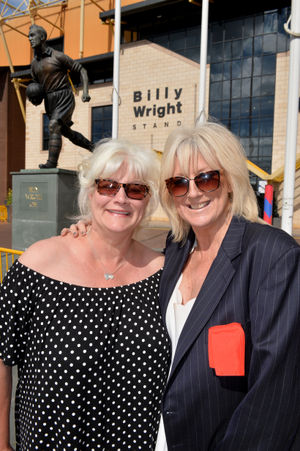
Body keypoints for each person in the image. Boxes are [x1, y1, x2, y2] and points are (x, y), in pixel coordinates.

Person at [68, 121, 300, 450]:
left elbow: (274, 397)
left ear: (231, 181)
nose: (192, 192)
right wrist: (90, 231)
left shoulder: (272, 255)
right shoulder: (176, 249)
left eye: (207, 178)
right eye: (179, 183)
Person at [0, 140, 171, 450]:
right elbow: (2, 355)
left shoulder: (164, 273)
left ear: (147, 201)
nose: (121, 198)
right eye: (108, 186)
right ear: (90, 193)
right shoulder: (38, 265)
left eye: (135, 190)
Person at [27, 24, 94, 169]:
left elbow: (81, 69)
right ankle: (92, 147)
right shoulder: (33, 64)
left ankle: (51, 163)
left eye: (32, 35)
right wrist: (34, 96)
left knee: (54, 125)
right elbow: (36, 86)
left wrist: (85, 91)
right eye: (29, 36)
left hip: (64, 97)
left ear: (43, 37)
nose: (29, 39)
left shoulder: (57, 56)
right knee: (66, 132)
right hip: (49, 101)